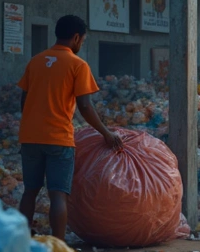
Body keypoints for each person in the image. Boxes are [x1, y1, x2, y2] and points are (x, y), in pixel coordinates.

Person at [17, 15, 123, 239]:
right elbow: (84, 106)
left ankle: (22, 245)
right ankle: (59, 250)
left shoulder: (35, 61)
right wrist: (106, 133)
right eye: (82, 41)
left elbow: (24, 101)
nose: (81, 44)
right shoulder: (77, 65)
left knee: (30, 192)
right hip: (58, 139)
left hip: (29, 138)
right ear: (76, 37)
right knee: (58, 195)